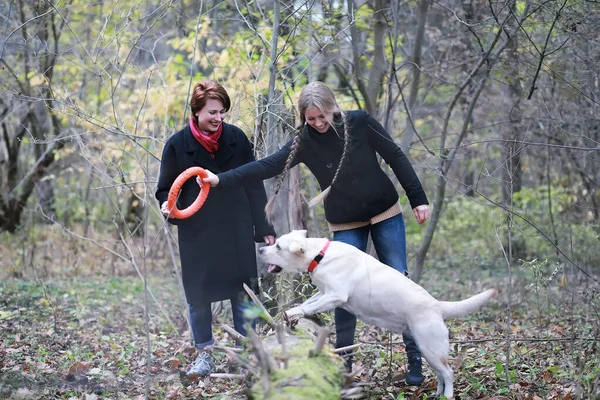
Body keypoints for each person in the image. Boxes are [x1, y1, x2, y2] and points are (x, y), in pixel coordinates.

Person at [202, 81, 431, 385]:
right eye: (311, 119)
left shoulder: (360, 122)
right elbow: (266, 166)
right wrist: (220, 179)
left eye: (323, 116)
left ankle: (415, 363)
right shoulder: (304, 141)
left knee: (401, 283)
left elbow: (395, 156)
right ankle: (345, 366)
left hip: (385, 213)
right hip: (345, 222)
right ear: (304, 118)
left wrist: (418, 198)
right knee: (340, 292)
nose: (319, 123)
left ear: (333, 108)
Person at [155, 81, 276, 376]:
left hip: (236, 227)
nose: (218, 118)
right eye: (212, 112)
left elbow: (254, 182)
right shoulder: (177, 144)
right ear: (196, 111)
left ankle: (246, 354)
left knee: (243, 291)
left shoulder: (236, 138)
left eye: (222, 112)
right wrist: (170, 209)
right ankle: (204, 355)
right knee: (198, 296)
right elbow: (164, 192)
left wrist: (263, 227)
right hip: (197, 233)